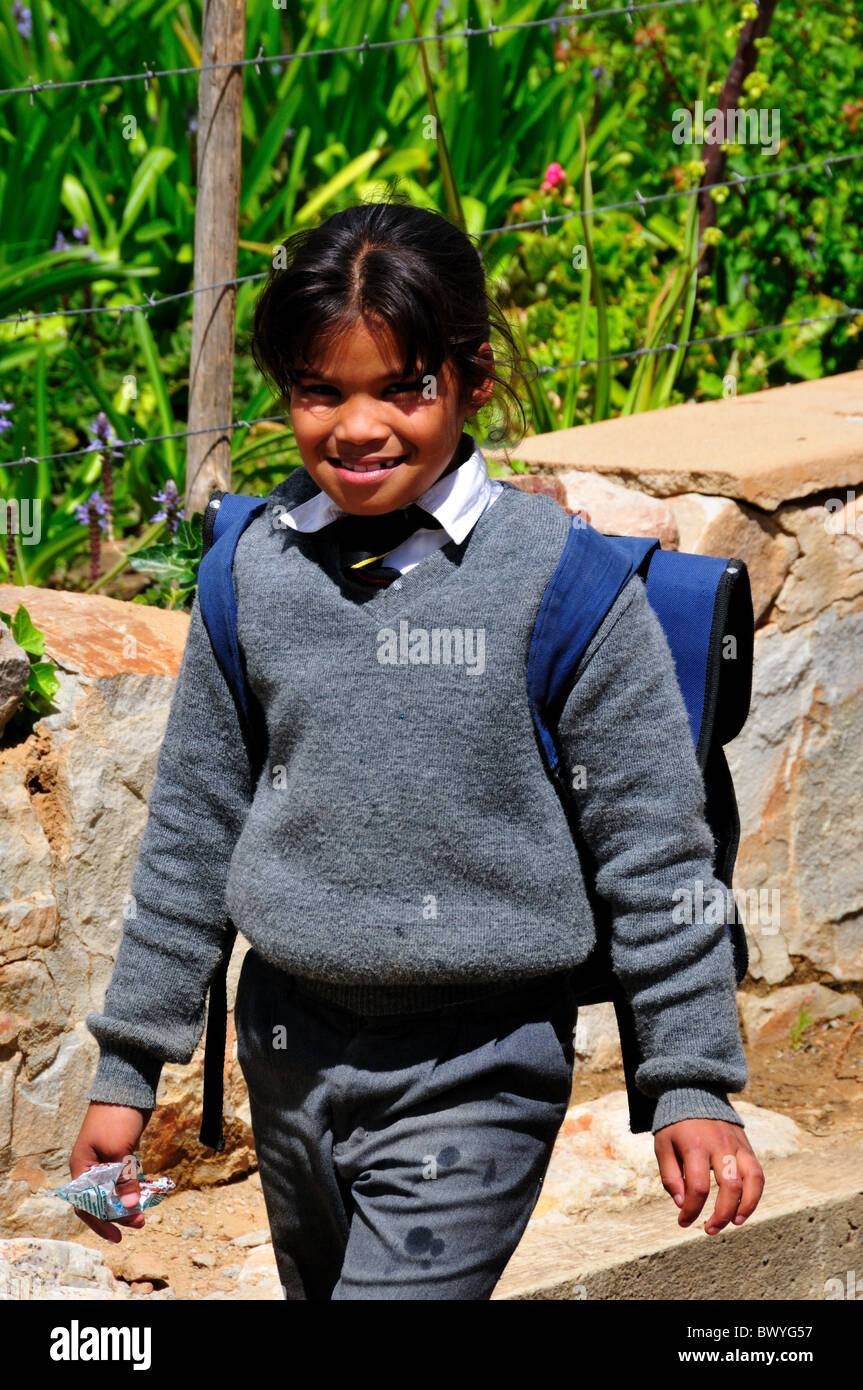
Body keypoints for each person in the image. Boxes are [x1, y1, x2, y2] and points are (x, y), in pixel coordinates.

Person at [70, 195, 764, 1300]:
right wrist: (127, 1065)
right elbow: (195, 828)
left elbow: (652, 851)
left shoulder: (565, 587)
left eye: (403, 388)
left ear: (471, 379)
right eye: (320, 390)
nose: (357, 428)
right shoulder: (250, 574)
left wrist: (687, 1078)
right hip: (287, 1051)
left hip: (479, 1067)